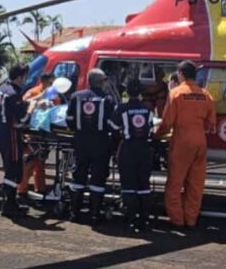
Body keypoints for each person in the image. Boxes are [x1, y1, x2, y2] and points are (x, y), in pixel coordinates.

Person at [156, 61, 216, 229]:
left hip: (182, 141)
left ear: (181, 73)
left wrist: (156, 135)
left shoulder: (176, 94)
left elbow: (167, 123)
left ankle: (177, 220)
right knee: (195, 184)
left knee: (175, 183)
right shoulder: (206, 94)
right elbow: (211, 123)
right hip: (200, 142)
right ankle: (191, 220)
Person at [66, 68, 117, 224]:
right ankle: (95, 214)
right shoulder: (107, 100)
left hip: (81, 142)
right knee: (98, 177)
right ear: (101, 82)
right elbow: (112, 124)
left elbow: (69, 119)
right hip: (101, 143)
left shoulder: (76, 97)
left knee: (79, 174)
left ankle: (74, 213)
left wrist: (79, 130)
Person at [111, 78, 154, 233]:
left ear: (126, 92)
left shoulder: (122, 108)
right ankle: (144, 220)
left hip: (128, 148)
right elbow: (152, 129)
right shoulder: (148, 109)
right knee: (144, 184)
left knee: (128, 184)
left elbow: (114, 128)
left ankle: (129, 220)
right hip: (144, 149)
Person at [0, 64, 30, 217]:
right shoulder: (14, 94)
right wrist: (30, 108)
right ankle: (9, 205)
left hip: (1, 133)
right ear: (19, 77)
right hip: (12, 135)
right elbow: (21, 119)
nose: (25, 80)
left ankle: (10, 202)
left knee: (10, 167)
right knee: (14, 170)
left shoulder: (1, 90)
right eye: (25, 77)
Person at [18, 73, 56, 199]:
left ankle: (40, 188)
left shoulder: (53, 93)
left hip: (45, 132)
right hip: (33, 133)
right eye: (50, 82)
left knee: (40, 162)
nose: (52, 85)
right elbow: (23, 103)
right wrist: (39, 101)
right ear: (44, 82)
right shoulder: (33, 92)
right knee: (29, 162)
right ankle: (21, 189)